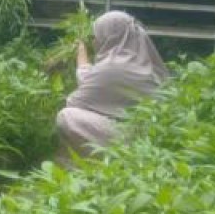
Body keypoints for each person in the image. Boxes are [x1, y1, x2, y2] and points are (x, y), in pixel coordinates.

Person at [56, 11, 168, 161]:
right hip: (155, 138)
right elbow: (93, 82)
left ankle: (98, 160)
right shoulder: (150, 63)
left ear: (108, 35)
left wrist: (81, 56)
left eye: (96, 35)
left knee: (68, 116)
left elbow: (76, 100)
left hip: (128, 138)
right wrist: (82, 61)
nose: (95, 41)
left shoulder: (111, 67)